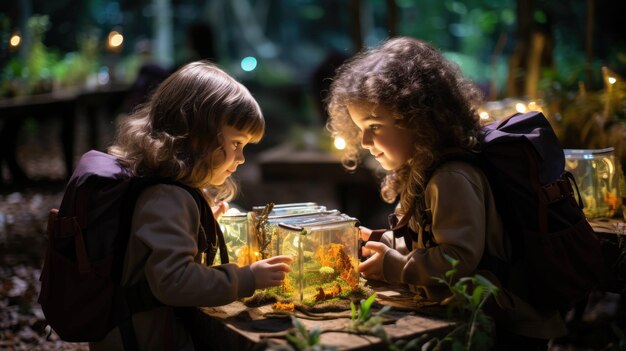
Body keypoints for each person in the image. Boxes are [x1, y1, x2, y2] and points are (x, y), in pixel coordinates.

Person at [325, 37, 565, 350]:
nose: (366, 140)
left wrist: (394, 266)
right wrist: (381, 243)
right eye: (360, 128)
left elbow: (457, 257)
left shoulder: (450, 177)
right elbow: (424, 238)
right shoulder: (419, 170)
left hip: (506, 325)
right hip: (475, 317)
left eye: (375, 125)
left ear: (418, 118)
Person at [90, 61, 293, 351]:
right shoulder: (167, 197)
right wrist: (247, 277)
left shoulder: (160, 188)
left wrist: (198, 224)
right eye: (236, 143)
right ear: (198, 135)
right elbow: (173, 281)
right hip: (144, 338)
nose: (241, 158)